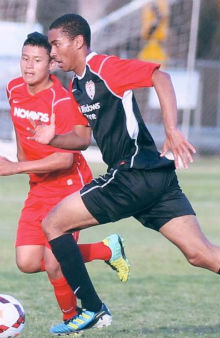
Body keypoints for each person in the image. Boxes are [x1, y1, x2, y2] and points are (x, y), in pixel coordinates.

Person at [28, 14, 220, 335]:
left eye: (56, 44)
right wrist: (53, 139)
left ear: (78, 42)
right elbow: (81, 138)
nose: (52, 52)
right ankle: (92, 307)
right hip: (154, 177)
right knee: (201, 254)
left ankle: (91, 308)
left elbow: (162, 77)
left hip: (132, 173)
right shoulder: (76, 85)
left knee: (53, 223)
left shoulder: (104, 67)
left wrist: (172, 130)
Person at [0, 31, 130, 333]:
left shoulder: (61, 99)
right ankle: (106, 250)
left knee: (54, 258)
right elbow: (22, 131)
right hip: (40, 184)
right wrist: (28, 170)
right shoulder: (13, 88)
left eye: (37, 60)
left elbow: (65, 159)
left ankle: (75, 318)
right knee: (28, 261)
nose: (29, 67)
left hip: (69, 183)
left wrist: (15, 167)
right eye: (24, 58)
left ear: (50, 65)